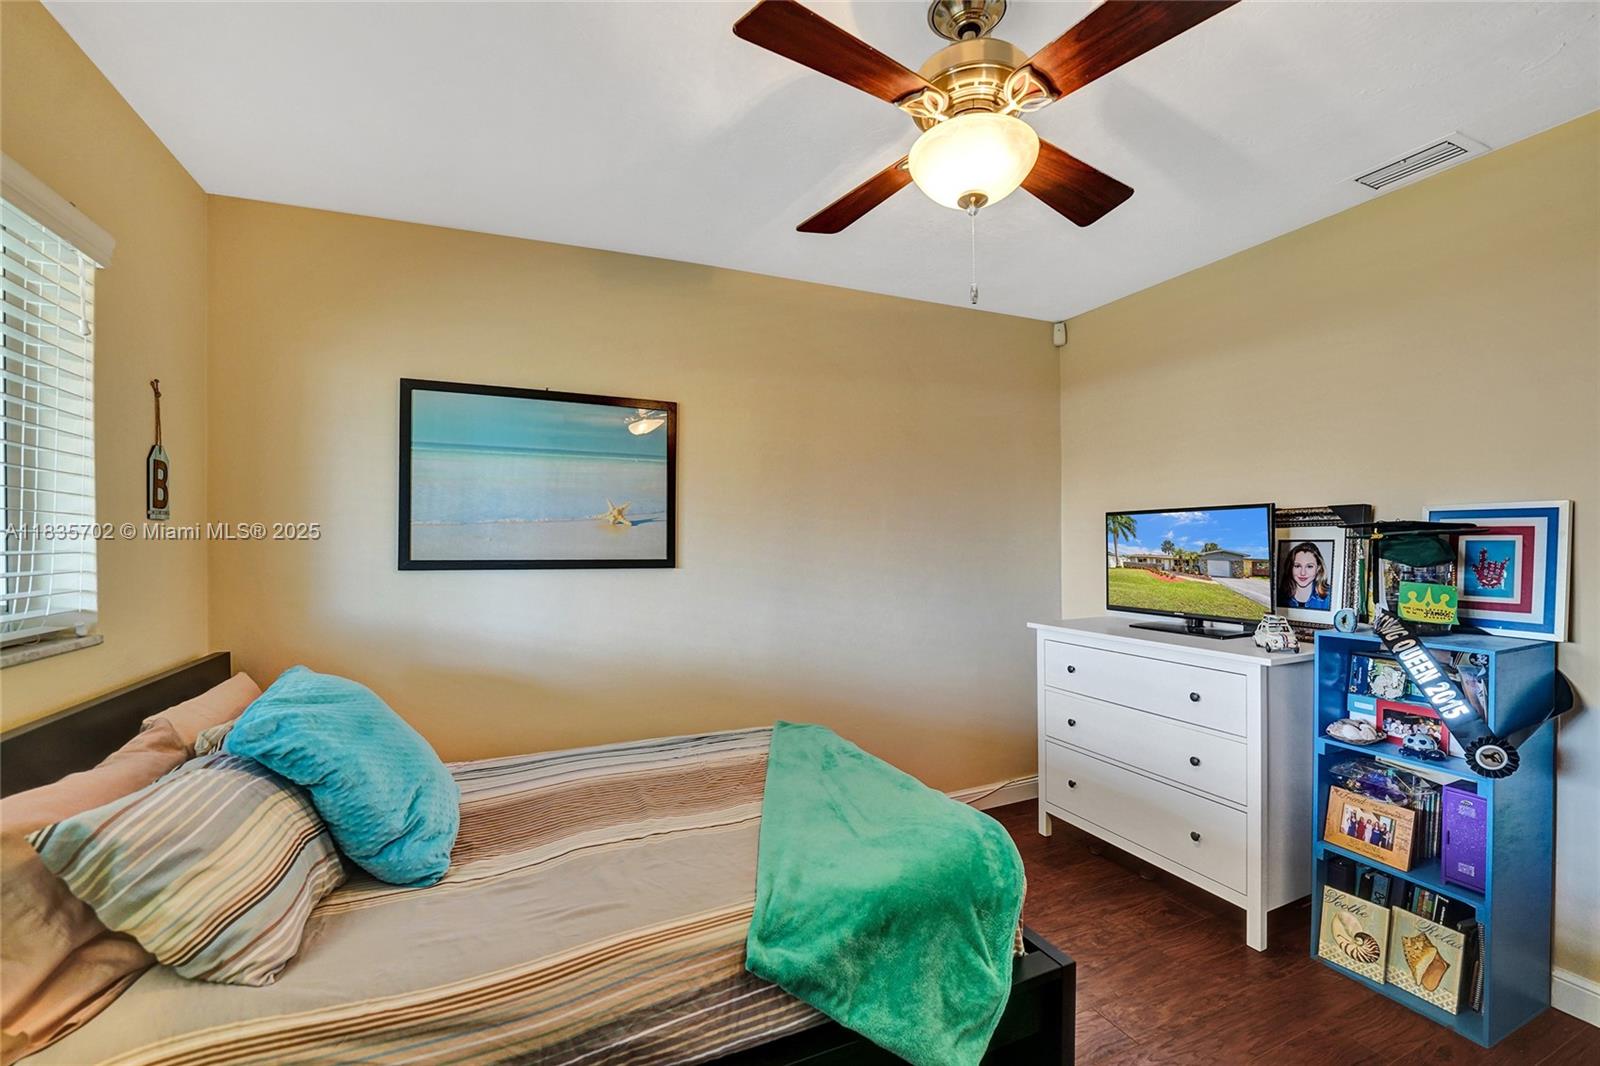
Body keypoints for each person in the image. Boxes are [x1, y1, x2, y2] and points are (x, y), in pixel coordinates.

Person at [1280, 541, 1332, 610]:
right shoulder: (1279, 596)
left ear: (1318, 568)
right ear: (1290, 568)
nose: (1303, 573)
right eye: (1297, 566)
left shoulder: (1330, 597)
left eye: (1309, 566)